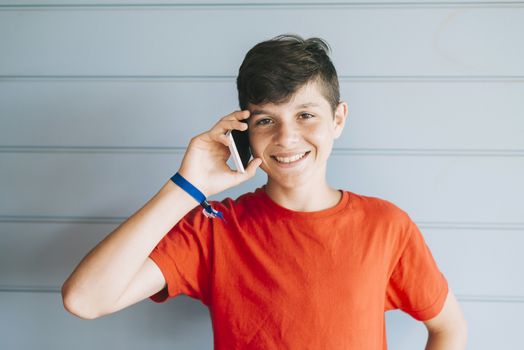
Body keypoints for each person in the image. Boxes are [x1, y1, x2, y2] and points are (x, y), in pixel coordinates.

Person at [62, 34, 467, 349]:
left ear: (338, 119)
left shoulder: (387, 226)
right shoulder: (215, 229)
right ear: (243, 131)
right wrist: (191, 185)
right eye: (266, 121)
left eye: (305, 115)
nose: (287, 138)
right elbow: (85, 300)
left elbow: (449, 329)